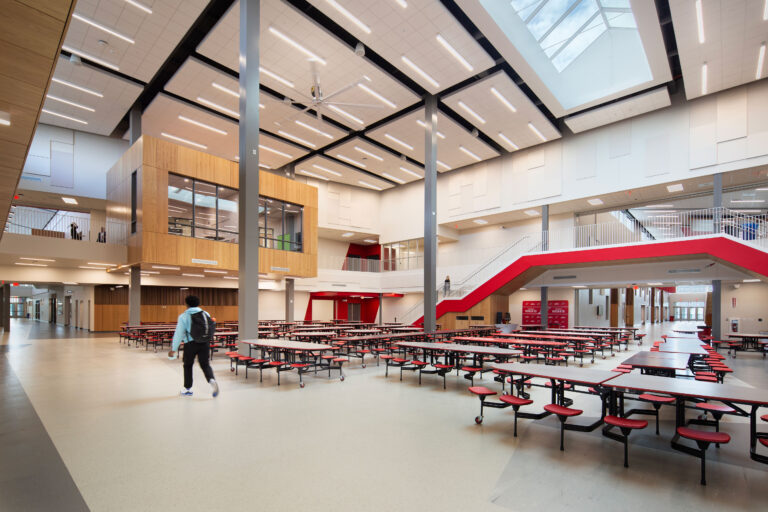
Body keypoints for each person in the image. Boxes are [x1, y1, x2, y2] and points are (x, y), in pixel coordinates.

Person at [168, 295, 219, 397]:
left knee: (188, 365)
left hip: (190, 344)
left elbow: (179, 333)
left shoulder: (183, 316)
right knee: (205, 364)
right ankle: (211, 380)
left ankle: (187, 389)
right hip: (204, 343)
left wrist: (173, 349)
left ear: (186, 304)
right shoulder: (205, 313)